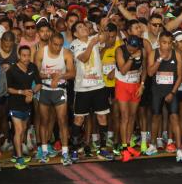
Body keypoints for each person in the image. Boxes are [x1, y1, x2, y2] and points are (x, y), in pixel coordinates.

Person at [70, 22, 112, 162]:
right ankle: (75, 150)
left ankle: (103, 149)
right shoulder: (74, 44)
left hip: (98, 86)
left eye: (84, 26)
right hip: (82, 88)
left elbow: (106, 38)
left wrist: (103, 28)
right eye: (80, 27)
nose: (84, 28)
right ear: (75, 33)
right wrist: (91, 44)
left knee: (102, 117)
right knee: (79, 119)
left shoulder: (93, 39)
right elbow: (84, 58)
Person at [35, 32, 75, 165]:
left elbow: (72, 72)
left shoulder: (66, 53)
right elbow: (36, 73)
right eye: (55, 45)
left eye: (60, 45)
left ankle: (65, 152)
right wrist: (49, 77)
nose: (58, 48)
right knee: (44, 120)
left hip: (59, 90)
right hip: (45, 89)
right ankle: (44, 150)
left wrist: (58, 77)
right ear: (50, 42)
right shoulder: (41, 52)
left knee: (62, 120)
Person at [146, 31, 182, 162]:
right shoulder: (153, 53)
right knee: (156, 117)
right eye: (164, 43)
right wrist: (160, 59)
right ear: (159, 42)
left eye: (169, 43)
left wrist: (173, 92)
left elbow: (180, 76)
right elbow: (150, 73)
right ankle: (153, 145)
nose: (166, 46)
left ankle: (179, 150)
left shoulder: (177, 54)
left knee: (174, 117)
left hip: (171, 91)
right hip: (157, 91)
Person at [6, 46, 42, 170]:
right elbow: (8, 89)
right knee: (19, 130)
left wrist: (31, 92)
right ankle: (20, 159)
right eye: (24, 55)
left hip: (27, 103)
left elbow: (39, 84)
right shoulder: (11, 70)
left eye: (28, 55)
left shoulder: (33, 67)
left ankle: (17, 154)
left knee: (24, 129)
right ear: (19, 56)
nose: (26, 58)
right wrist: (22, 92)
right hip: (14, 103)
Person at [115, 35, 146, 162]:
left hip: (135, 85)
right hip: (122, 85)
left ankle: (128, 144)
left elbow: (144, 69)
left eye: (134, 47)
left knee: (133, 116)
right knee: (125, 116)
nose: (131, 49)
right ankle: (124, 147)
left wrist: (142, 85)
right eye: (130, 46)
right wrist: (132, 58)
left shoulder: (142, 51)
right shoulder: (120, 50)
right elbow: (123, 70)